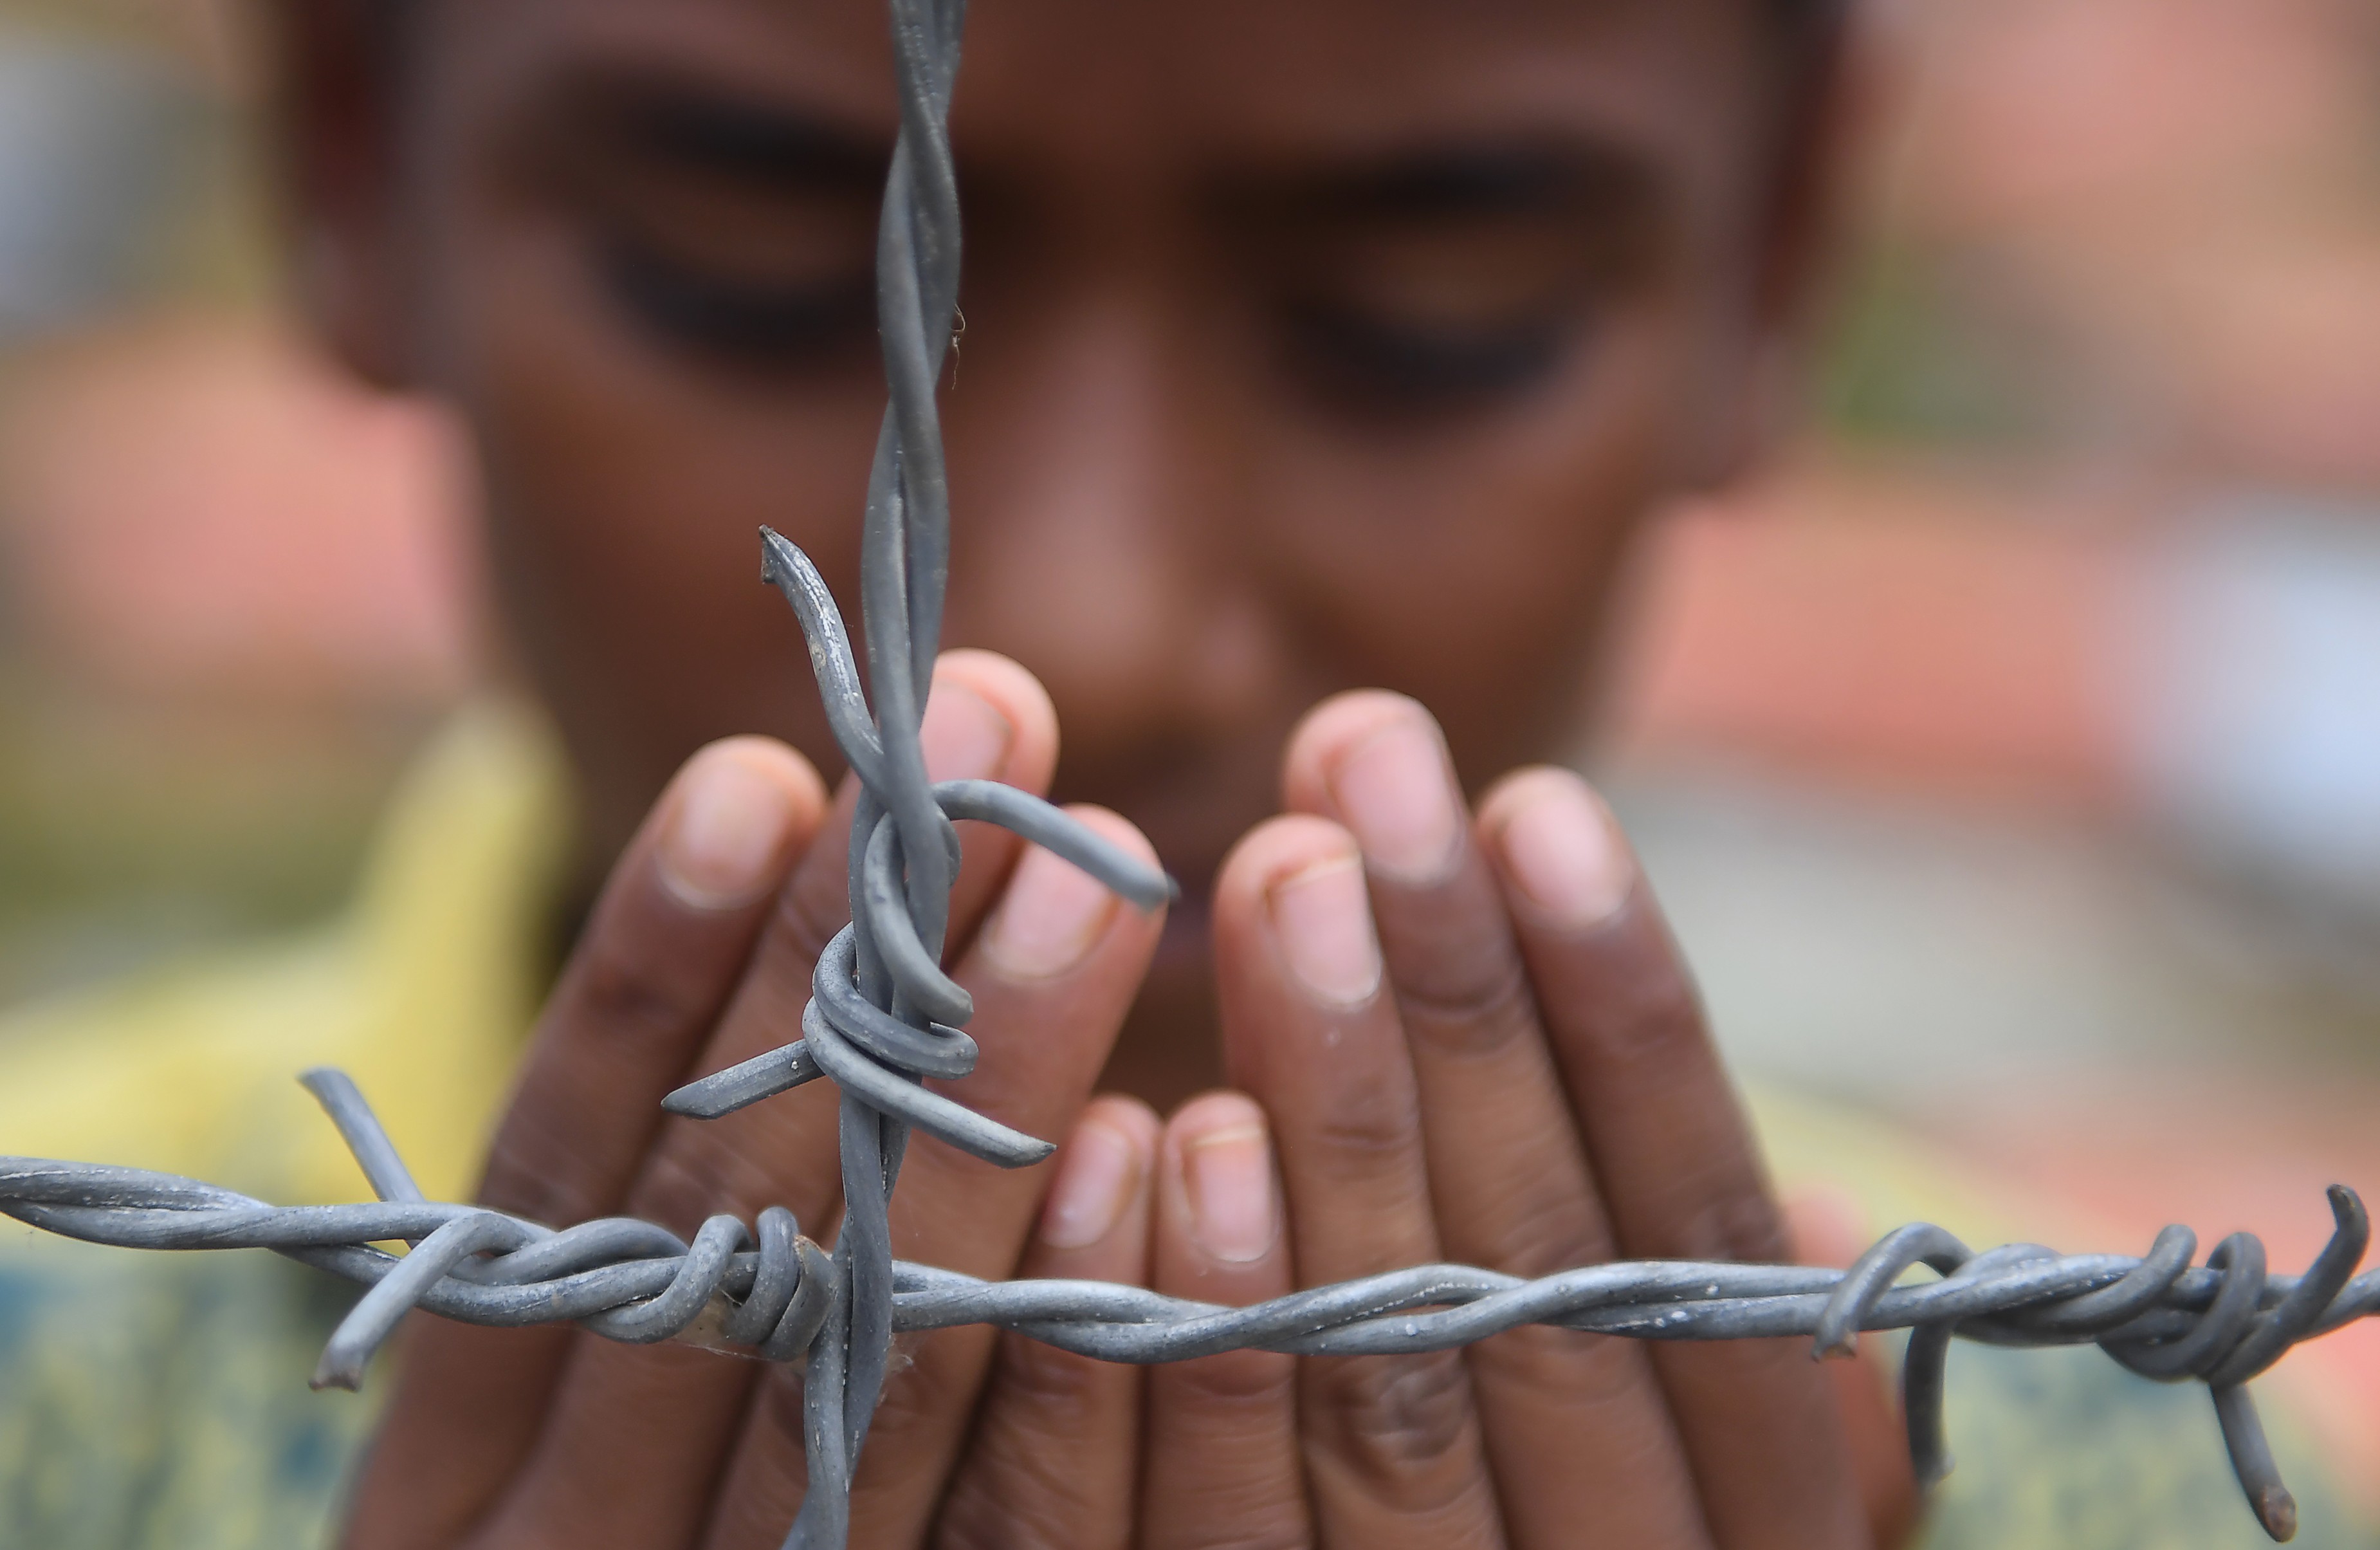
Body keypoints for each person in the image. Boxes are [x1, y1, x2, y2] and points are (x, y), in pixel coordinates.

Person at [0, 0, 2357, 1545]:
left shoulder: (2066, 1470)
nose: (1081, 639)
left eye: (1431, 323)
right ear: (348, 157)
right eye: (748, 269)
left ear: (1779, 260)